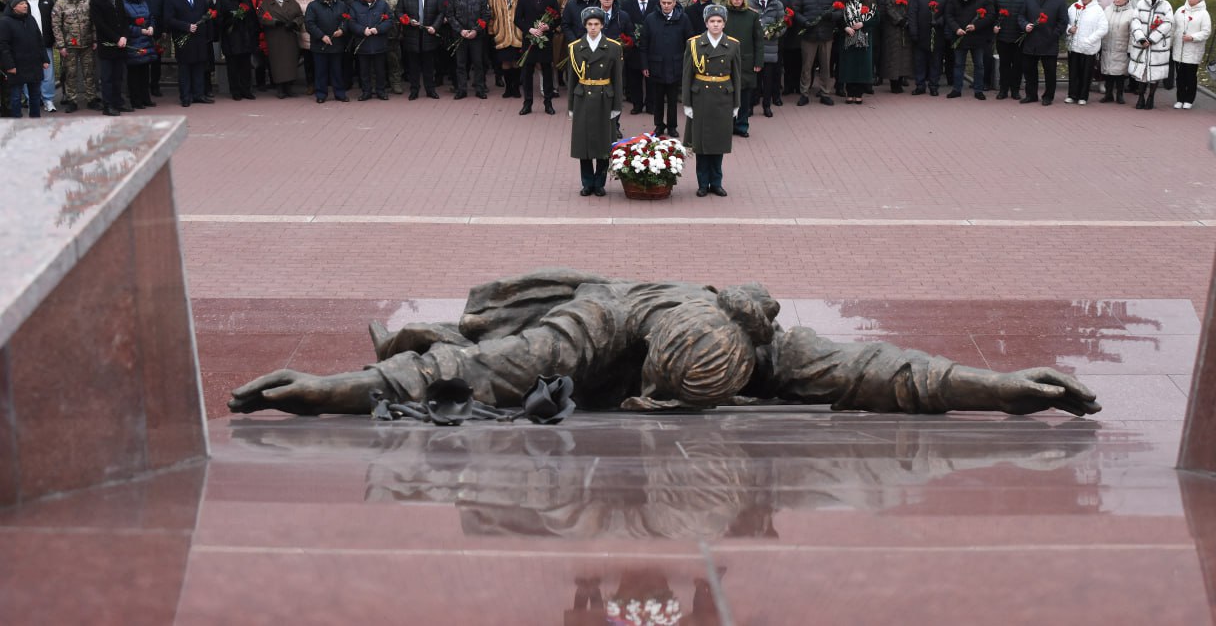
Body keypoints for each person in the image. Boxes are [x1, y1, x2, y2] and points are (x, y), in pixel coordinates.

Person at [227, 269, 1101, 419]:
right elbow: (466, 374)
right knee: (484, 357)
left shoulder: (764, 346)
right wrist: (325, 388)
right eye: (657, 394)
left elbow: (883, 371)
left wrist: (1002, 385)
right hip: (565, 325)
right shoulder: (589, 327)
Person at [682, 4, 741, 197]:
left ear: (724, 24)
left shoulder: (733, 44)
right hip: (701, 97)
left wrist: (736, 103)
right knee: (701, 143)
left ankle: (716, 182)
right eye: (712, 21)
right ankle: (702, 183)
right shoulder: (694, 43)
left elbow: (737, 76)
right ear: (706, 23)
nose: (715, 25)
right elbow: (687, 75)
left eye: (719, 21)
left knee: (719, 142)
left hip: (723, 97)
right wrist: (687, 103)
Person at [567, 7, 623, 197]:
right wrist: (570, 107)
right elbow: (572, 80)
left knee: (602, 143)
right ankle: (587, 183)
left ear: (602, 25)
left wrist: (616, 106)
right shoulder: (575, 47)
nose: (592, 28)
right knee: (583, 144)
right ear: (584, 26)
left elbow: (617, 79)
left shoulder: (613, 47)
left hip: (603, 97)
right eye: (589, 24)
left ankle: (600, 183)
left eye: (596, 24)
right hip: (582, 97)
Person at [640, 0, 692, 138]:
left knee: (672, 99)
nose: (666, 6)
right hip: (656, 65)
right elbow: (644, 44)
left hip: (676, 65)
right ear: (660, 3)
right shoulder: (651, 19)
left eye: (669, 3)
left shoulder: (683, 19)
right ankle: (658, 125)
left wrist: (687, 65)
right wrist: (645, 66)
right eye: (664, 3)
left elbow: (690, 43)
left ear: (675, 3)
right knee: (657, 98)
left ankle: (672, 126)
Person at [164, 0, 216, 107]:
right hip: (183, 39)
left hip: (199, 38)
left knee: (199, 67)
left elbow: (206, 15)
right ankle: (185, 97)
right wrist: (186, 26)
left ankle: (199, 95)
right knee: (185, 70)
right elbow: (169, 19)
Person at [1017, 0, 1068, 106]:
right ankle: (1031, 95)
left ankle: (1048, 96)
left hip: (1049, 43)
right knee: (1029, 70)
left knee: (1049, 72)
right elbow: (1021, 16)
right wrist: (1025, 25)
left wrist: (1053, 35)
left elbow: (1063, 22)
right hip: (1031, 41)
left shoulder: (1059, 0)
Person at [514, 0, 560, 115]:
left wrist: (548, 26)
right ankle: (527, 103)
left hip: (545, 41)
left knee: (547, 71)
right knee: (527, 72)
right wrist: (530, 30)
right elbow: (517, 19)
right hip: (529, 40)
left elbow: (558, 17)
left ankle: (548, 103)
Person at [943, 0, 994, 99]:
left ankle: (978, 90)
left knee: (979, 64)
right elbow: (948, 15)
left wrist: (976, 26)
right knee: (959, 64)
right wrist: (956, 29)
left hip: (978, 36)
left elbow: (990, 15)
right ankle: (957, 89)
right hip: (960, 36)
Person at [51, 0, 97, 113]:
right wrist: (61, 45)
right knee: (71, 74)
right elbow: (56, 26)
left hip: (87, 44)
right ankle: (72, 100)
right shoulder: (60, 4)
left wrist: (95, 40)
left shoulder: (86, 1)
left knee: (89, 73)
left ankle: (92, 99)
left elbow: (93, 22)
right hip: (69, 46)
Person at [1127, 0, 1174, 110]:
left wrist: (1153, 38)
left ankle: (1151, 97)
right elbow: (1135, 20)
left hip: (1157, 45)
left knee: (1155, 72)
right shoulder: (1141, 4)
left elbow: (1168, 23)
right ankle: (1141, 97)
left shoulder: (1166, 5)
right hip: (1142, 44)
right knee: (1141, 73)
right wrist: (1141, 38)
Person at [795, 0, 838, 106]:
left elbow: (840, 12)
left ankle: (825, 93)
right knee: (807, 66)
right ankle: (804, 93)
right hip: (809, 36)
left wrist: (831, 15)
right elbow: (796, 12)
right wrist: (804, 21)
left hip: (826, 36)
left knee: (826, 66)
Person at [723, 0, 763, 137]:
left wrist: (758, 62)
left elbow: (758, 40)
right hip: (726, 61)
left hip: (746, 62)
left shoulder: (752, 15)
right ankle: (728, 125)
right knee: (727, 96)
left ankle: (742, 126)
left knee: (745, 97)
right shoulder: (723, 14)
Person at [0, 0, 49, 118]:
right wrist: (9, 66)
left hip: (34, 63)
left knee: (35, 95)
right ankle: (17, 122)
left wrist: (44, 59)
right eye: (21, 4)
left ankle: (35, 120)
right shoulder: (5, 22)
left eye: (25, 3)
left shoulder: (30, 19)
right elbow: (3, 46)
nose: (25, 5)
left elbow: (39, 40)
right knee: (16, 96)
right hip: (17, 65)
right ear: (13, 7)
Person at [89, 0, 130, 115]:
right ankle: (108, 105)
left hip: (121, 44)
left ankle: (118, 101)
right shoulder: (96, 1)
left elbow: (124, 19)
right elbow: (100, 24)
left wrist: (124, 36)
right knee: (107, 77)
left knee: (118, 76)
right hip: (107, 44)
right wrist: (116, 38)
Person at [345, 0, 394, 101]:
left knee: (380, 70)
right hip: (362, 44)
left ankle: (380, 91)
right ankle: (366, 92)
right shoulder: (355, 6)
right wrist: (362, 30)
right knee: (364, 71)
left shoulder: (383, 5)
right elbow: (351, 22)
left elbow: (390, 20)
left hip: (379, 43)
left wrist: (378, 29)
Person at [305, 0, 351, 103]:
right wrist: (321, 36)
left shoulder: (341, 4)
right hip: (320, 45)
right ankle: (321, 94)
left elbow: (347, 19)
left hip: (337, 44)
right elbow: (309, 24)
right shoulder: (313, 6)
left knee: (337, 71)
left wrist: (342, 30)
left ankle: (340, 93)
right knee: (321, 71)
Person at [257, 0, 304, 98]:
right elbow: (261, 17)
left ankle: (289, 88)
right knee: (277, 62)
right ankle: (280, 88)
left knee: (290, 61)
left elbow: (300, 16)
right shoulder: (266, 2)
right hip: (275, 36)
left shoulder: (291, 0)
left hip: (289, 35)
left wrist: (294, 23)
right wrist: (273, 22)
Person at [16, 0, 56, 112]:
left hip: (45, 44)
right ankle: (32, 99)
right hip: (26, 46)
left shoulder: (46, 1)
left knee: (48, 74)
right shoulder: (17, 2)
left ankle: (48, 100)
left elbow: (54, 22)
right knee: (28, 73)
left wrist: (54, 39)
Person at [837, 0, 878, 104]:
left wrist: (863, 24)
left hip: (864, 38)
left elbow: (876, 19)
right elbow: (838, 18)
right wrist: (846, 27)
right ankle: (849, 92)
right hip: (848, 37)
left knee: (861, 66)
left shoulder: (869, 0)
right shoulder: (844, 0)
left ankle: (859, 93)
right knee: (849, 65)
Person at [487, 0, 526, 100]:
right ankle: (508, 88)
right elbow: (491, 14)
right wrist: (492, 30)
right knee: (505, 62)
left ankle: (516, 88)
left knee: (516, 61)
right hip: (502, 33)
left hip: (518, 33)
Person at [907, 0, 948, 96]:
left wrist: (939, 21)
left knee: (936, 61)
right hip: (921, 34)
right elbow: (912, 14)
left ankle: (933, 85)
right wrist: (913, 32)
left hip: (938, 34)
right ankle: (920, 85)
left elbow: (948, 14)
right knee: (920, 61)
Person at [119, 0, 159, 109]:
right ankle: (136, 100)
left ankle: (146, 98)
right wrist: (140, 30)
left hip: (146, 41)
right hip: (134, 42)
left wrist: (152, 27)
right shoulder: (123, 4)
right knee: (134, 73)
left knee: (144, 72)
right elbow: (124, 25)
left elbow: (150, 17)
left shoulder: (142, 1)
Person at [1170, 0, 1212, 110]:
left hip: (1193, 50)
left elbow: (1206, 32)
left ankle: (1189, 99)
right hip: (1179, 49)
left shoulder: (1204, 14)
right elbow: (1173, 28)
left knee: (1190, 76)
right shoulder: (1180, 10)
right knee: (1180, 76)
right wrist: (1170, 43)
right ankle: (1180, 98)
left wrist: (1192, 37)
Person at [749, 0, 785, 117]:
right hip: (753, 48)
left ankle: (767, 106)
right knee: (753, 80)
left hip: (770, 47)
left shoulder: (777, 5)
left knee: (768, 80)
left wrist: (772, 33)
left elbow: (782, 25)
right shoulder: (749, 3)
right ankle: (751, 106)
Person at [1064, 0, 1106, 105]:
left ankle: (1083, 96)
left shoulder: (1098, 10)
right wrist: (1069, 29)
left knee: (1086, 73)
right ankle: (1072, 94)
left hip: (1088, 47)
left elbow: (1103, 28)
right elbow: (1065, 22)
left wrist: (1090, 40)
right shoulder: (1073, 7)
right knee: (1073, 72)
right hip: (1074, 45)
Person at [878, 0, 915, 94]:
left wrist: (908, 19)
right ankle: (894, 82)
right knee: (893, 55)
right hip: (892, 26)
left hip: (908, 24)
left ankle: (902, 79)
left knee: (905, 54)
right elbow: (888, 6)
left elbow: (914, 3)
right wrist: (899, 19)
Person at [1098, 0, 1133, 104]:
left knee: (1120, 73)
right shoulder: (1108, 10)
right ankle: (1108, 94)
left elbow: (1132, 33)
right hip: (1107, 45)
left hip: (1121, 47)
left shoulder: (1131, 13)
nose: (1117, 0)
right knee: (1107, 72)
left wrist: (1130, 49)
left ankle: (1119, 94)